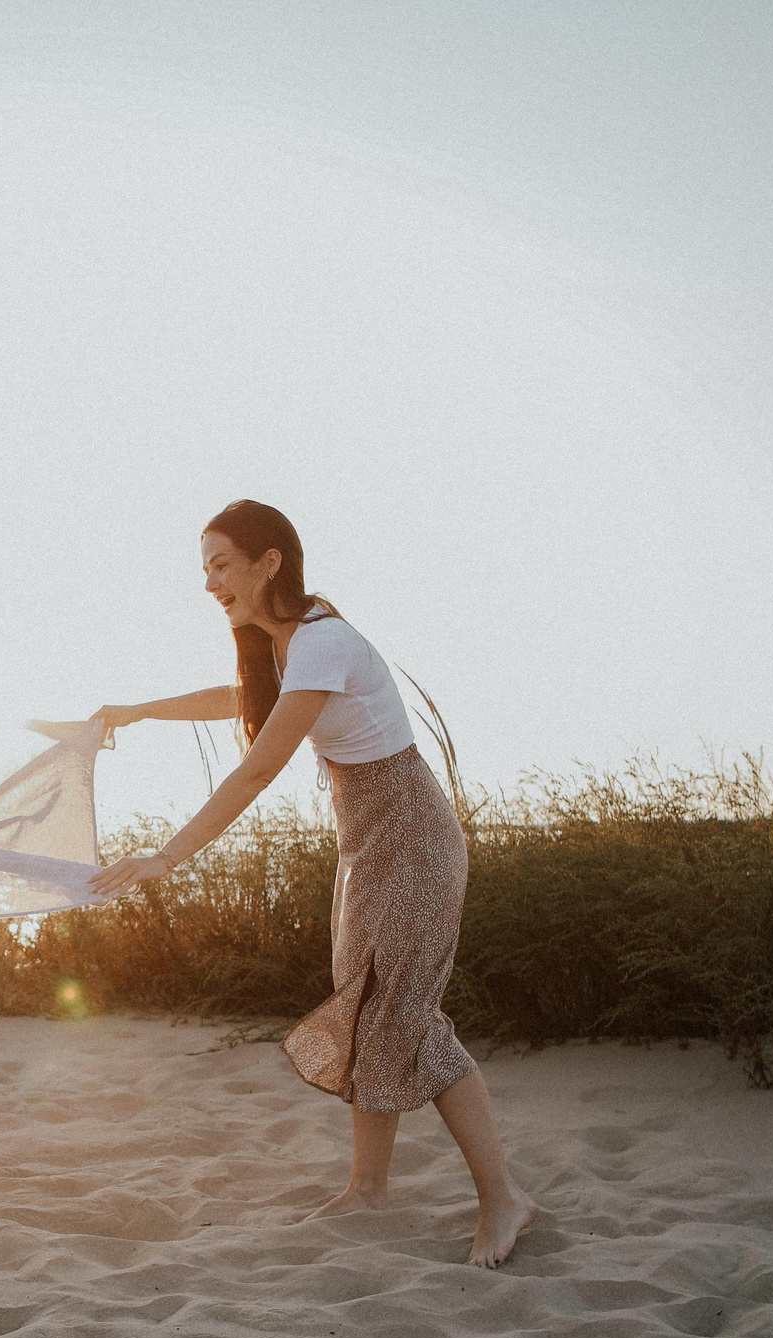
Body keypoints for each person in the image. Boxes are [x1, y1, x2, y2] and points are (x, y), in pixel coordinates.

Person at [87, 500, 536, 1267]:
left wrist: (167, 855)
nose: (209, 583)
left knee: (408, 1013)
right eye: (204, 569)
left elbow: (260, 765)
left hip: (412, 839)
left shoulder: (323, 640)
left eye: (221, 564)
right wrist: (138, 711)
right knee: (364, 1002)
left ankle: (504, 1198)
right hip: (370, 841)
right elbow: (243, 703)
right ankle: (368, 1188)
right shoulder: (287, 645)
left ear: (271, 562)